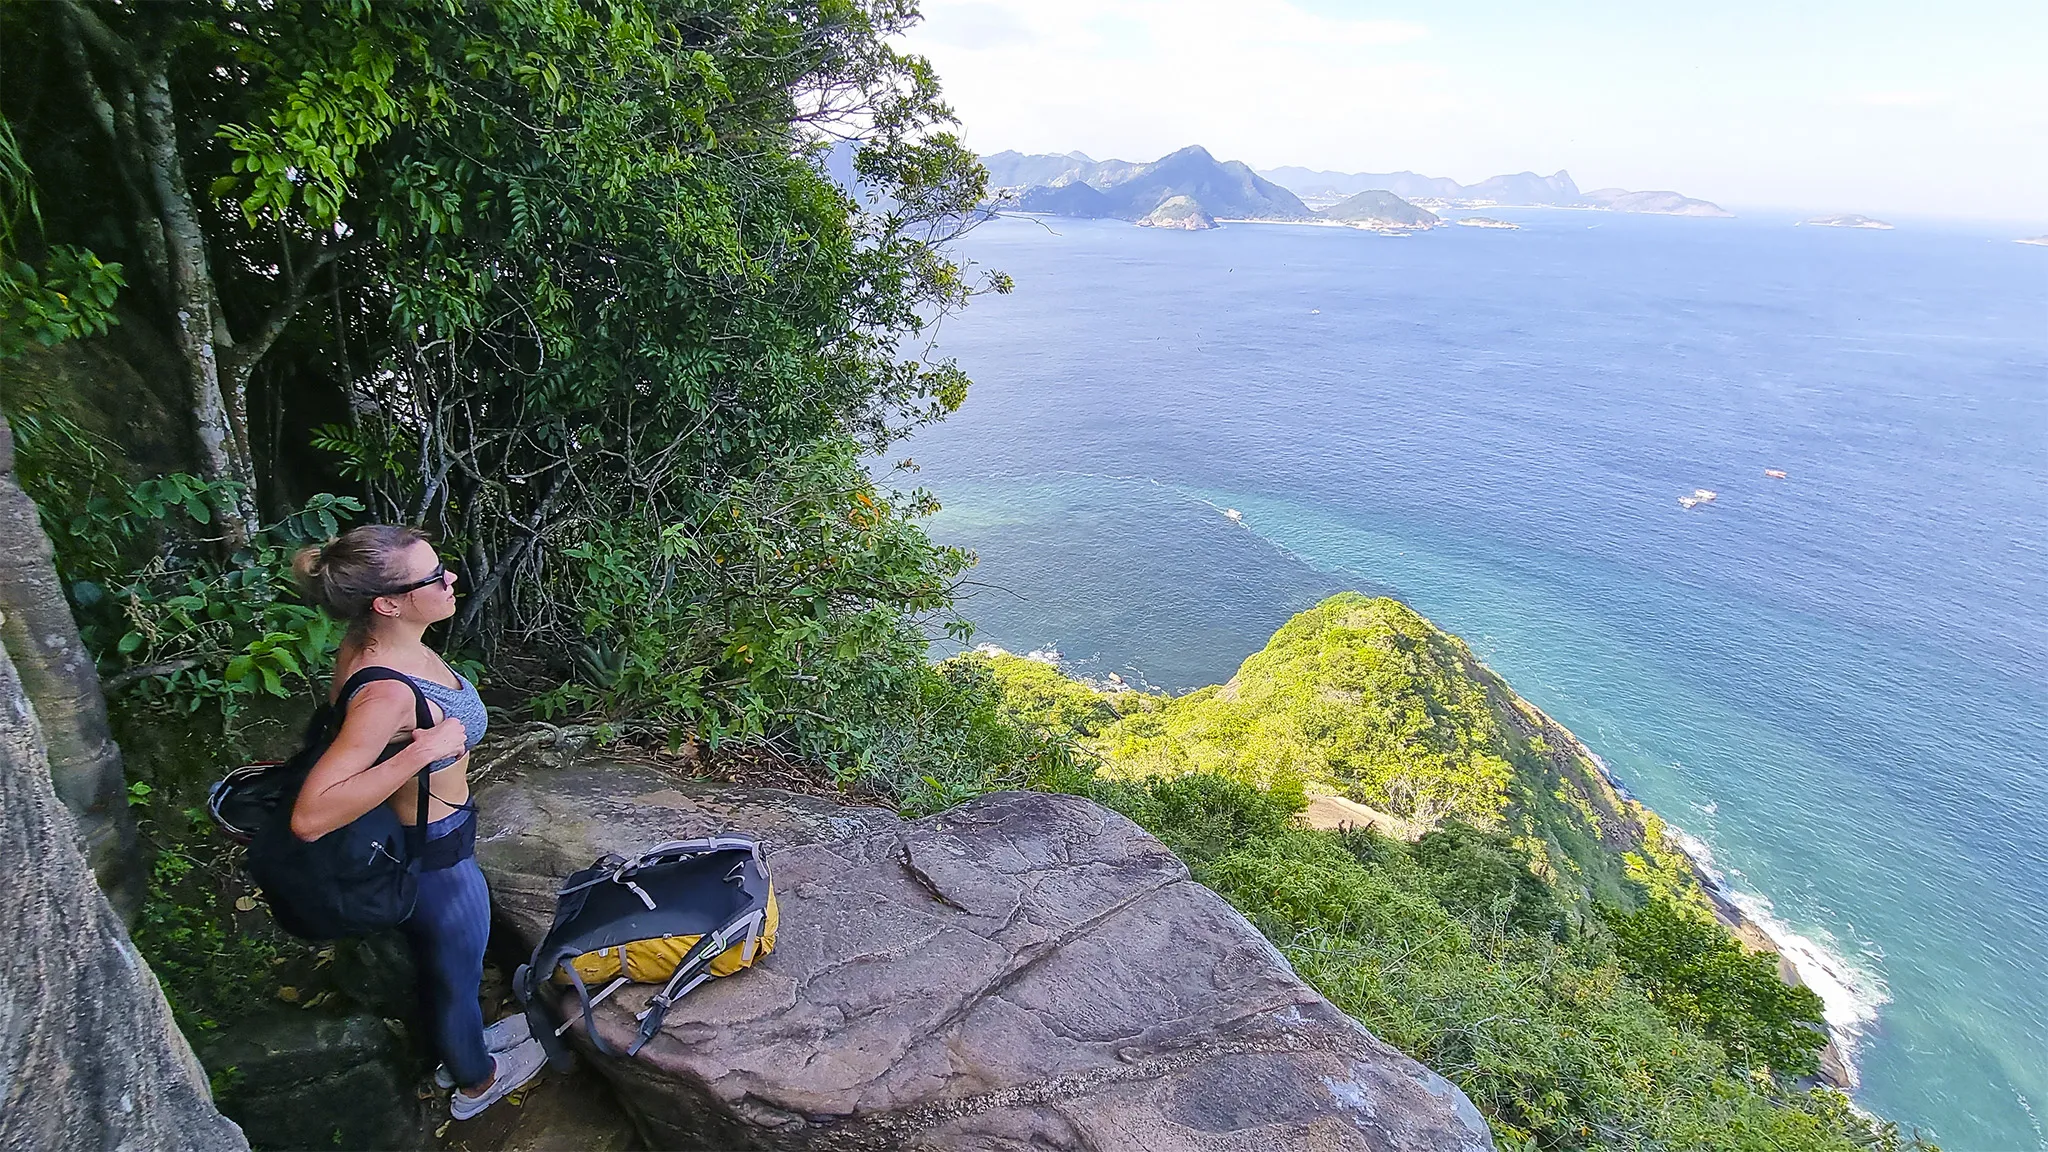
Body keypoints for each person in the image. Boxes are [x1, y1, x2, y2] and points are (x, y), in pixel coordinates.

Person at [289, 525, 543, 1120]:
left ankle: (467, 1047)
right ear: (388, 603)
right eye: (432, 576)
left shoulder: (374, 639)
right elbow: (310, 815)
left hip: (428, 831)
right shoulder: (386, 693)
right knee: (456, 971)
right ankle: (476, 1081)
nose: (450, 578)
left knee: (454, 962)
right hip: (436, 854)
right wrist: (419, 754)